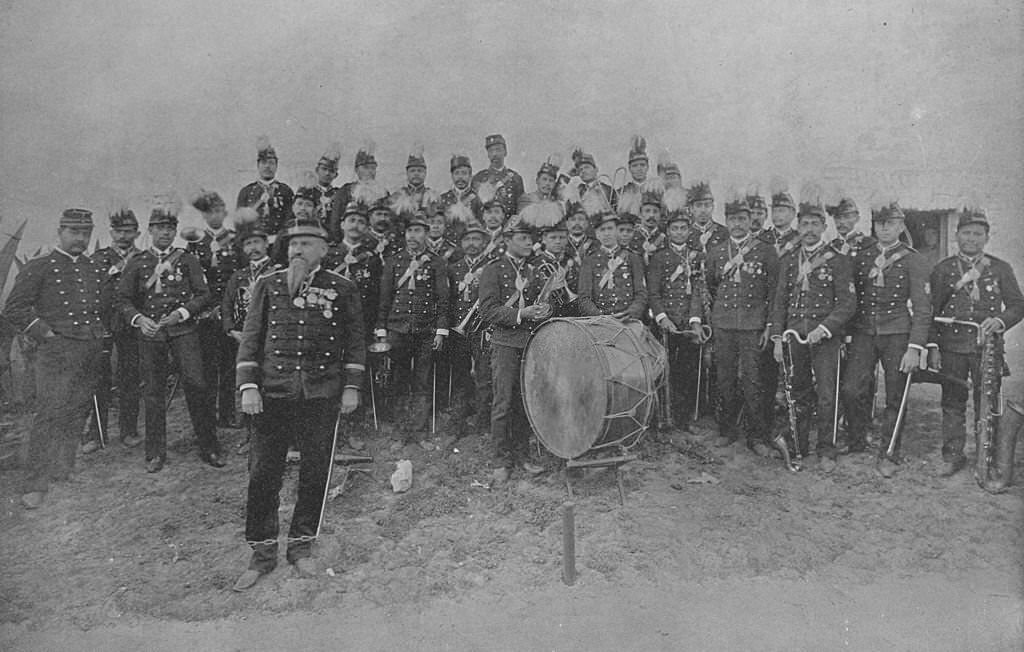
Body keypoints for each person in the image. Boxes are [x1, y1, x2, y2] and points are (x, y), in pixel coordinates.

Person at [232, 219, 366, 591]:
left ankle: (301, 547)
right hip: (272, 395)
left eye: (306, 244)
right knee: (262, 475)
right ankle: (261, 554)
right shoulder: (267, 285)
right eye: (292, 245)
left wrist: (352, 387)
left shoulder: (343, 289)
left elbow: (354, 343)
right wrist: (248, 387)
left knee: (314, 473)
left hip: (320, 396)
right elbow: (251, 340)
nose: (297, 251)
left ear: (324, 250)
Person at [4, 209, 110, 509]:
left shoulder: (92, 268)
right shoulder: (40, 267)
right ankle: (35, 483)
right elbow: (14, 309)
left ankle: (63, 468)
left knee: (77, 411)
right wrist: (46, 334)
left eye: (85, 233)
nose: (81, 239)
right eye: (74, 232)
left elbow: (99, 307)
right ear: (60, 232)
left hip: (87, 349)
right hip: (55, 354)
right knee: (49, 414)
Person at [118, 208, 223, 472]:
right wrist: (140, 320)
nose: (165, 232)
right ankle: (155, 452)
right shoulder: (138, 262)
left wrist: (182, 312)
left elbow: (203, 294)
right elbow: (122, 299)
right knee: (153, 392)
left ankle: (209, 446)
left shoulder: (187, 260)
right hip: (151, 333)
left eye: (170, 228)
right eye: (160, 227)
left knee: (197, 386)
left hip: (183, 331)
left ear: (175, 231)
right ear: (150, 230)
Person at [928, 209, 1024, 481]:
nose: (971, 239)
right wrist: (933, 346)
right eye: (966, 233)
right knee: (952, 402)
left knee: (989, 402)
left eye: (977, 234)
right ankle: (952, 455)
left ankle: (988, 457)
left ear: (987, 237)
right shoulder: (943, 269)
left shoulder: (1000, 268)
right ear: (957, 235)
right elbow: (932, 310)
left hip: (988, 348)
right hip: (952, 347)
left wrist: (1000, 321)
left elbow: (1018, 305)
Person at [841, 203, 932, 478]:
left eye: (890, 223)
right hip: (864, 333)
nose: (884, 228)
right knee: (851, 389)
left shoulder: (913, 259)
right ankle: (857, 440)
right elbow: (850, 296)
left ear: (901, 226)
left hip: (897, 334)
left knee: (896, 395)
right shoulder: (862, 256)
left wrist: (915, 347)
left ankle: (889, 452)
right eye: (879, 223)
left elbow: (923, 306)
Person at [769, 203, 856, 470]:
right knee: (797, 392)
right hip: (794, 335)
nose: (809, 230)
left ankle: (826, 450)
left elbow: (847, 303)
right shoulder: (789, 259)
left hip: (825, 337)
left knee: (827, 394)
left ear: (823, 227)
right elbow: (780, 301)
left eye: (814, 225)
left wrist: (826, 328)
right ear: (798, 226)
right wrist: (777, 338)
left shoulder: (838, 259)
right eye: (804, 224)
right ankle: (797, 444)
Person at [703, 198, 779, 450]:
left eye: (742, 219)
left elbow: (774, 292)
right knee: (724, 379)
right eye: (733, 219)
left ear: (750, 221)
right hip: (724, 324)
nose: (737, 224)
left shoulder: (766, 251)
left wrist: (769, 326)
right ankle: (727, 429)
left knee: (753, 380)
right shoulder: (716, 252)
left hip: (753, 325)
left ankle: (756, 435)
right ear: (726, 221)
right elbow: (712, 285)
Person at [478, 221, 550, 483]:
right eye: (522, 238)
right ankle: (500, 459)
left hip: (530, 343)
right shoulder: (493, 270)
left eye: (530, 238)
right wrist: (522, 314)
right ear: (507, 240)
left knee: (525, 401)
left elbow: (547, 305)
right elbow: (488, 310)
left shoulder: (534, 271)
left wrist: (545, 310)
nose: (529, 242)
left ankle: (522, 454)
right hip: (505, 343)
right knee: (503, 402)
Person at [375, 211, 450, 436]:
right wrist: (381, 329)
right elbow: (385, 298)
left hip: (426, 331)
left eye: (418, 231)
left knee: (423, 381)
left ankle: (418, 431)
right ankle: (400, 431)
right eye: (409, 231)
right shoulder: (394, 261)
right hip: (397, 329)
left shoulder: (436, 263)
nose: (412, 236)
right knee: (398, 380)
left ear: (426, 234)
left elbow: (443, 299)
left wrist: (440, 330)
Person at [186, 190, 242, 428]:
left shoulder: (234, 238)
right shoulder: (196, 241)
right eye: (210, 212)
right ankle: (209, 411)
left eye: (219, 211)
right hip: (206, 311)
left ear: (225, 212)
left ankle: (227, 413)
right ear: (204, 215)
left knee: (229, 364)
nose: (215, 215)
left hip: (229, 307)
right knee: (208, 364)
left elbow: (240, 274)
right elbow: (189, 276)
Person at [88, 208, 143, 450]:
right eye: (118, 231)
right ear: (111, 232)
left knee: (130, 377)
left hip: (131, 325)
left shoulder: (145, 258)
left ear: (137, 232)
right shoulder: (99, 258)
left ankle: (129, 430)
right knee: (99, 377)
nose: (122, 236)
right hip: (103, 324)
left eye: (128, 231)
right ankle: (96, 434)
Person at [647, 209, 704, 424]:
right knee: (664, 371)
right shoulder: (659, 257)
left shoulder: (697, 256)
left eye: (683, 228)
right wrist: (662, 318)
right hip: (665, 324)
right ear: (668, 231)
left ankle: (685, 419)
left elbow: (699, 291)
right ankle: (663, 417)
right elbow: (653, 292)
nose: (679, 232)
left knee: (688, 372)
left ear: (689, 231)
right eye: (674, 228)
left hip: (688, 323)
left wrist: (695, 321)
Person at [447, 224, 492, 436]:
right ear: (461, 244)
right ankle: (460, 417)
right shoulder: (454, 268)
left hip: (483, 329)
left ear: (484, 243)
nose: (472, 243)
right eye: (467, 239)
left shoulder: (491, 266)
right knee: (460, 374)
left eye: (476, 239)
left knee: (484, 374)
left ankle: (482, 420)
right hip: (459, 330)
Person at [577, 212, 647, 320]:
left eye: (610, 229)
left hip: (628, 318)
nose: (606, 233)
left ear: (617, 231)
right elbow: (584, 297)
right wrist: (599, 317)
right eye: (602, 230)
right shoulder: (589, 260)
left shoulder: (633, 258)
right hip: (600, 321)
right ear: (597, 234)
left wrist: (631, 313)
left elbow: (641, 293)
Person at [236, 136, 294, 241]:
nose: (267, 166)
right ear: (258, 165)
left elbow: (290, 220)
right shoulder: (246, 192)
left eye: (271, 163)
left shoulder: (285, 191)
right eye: (263, 163)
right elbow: (240, 224)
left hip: (279, 241)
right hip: (253, 241)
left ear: (277, 166)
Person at [471, 134, 524, 216]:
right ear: (488, 154)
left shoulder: (515, 178)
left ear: (505, 152)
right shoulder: (479, 178)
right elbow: (474, 210)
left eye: (498, 150)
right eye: (491, 151)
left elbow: (521, 209)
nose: (494, 154)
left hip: (510, 227)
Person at [438, 154, 483, 231]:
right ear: (452, 175)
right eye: (457, 173)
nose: (460, 177)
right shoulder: (443, 198)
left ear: (470, 176)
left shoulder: (477, 199)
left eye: (464, 173)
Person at [686, 182, 728, 253]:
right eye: (698, 205)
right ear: (691, 208)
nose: (703, 210)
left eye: (707, 205)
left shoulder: (724, 232)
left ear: (713, 207)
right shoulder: (685, 234)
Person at [312, 143, 342, 233]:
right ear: (317, 170)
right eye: (324, 169)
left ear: (336, 175)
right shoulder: (308, 191)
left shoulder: (339, 194)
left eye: (331, 171)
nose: (327, 173)